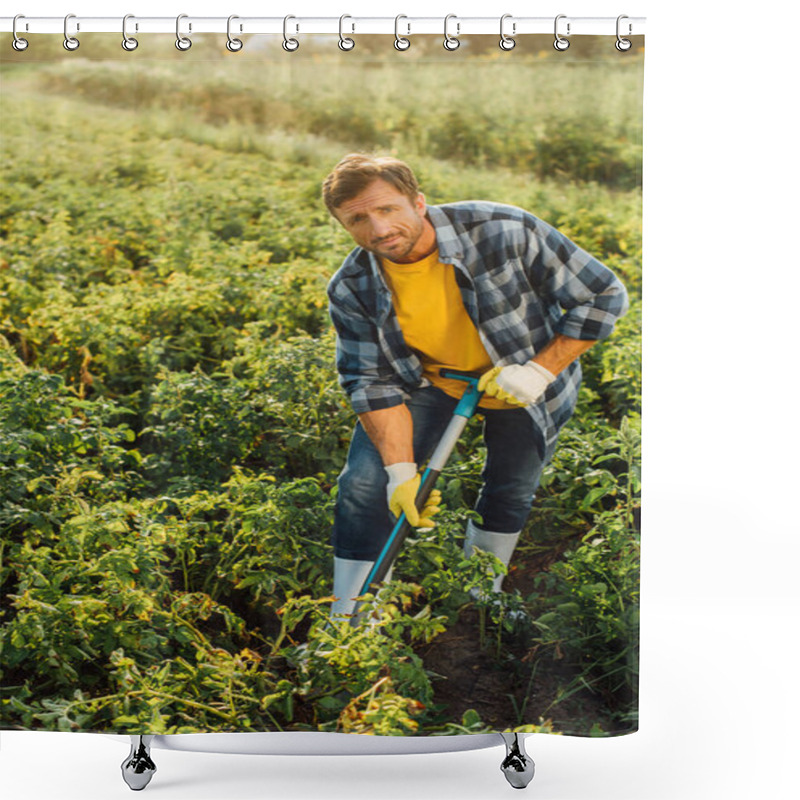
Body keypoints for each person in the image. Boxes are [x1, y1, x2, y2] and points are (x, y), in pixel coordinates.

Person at [322, 154, 629, 620]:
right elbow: (371, 381)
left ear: (419, 202)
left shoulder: (502, 229)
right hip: (430, 381)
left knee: (511, 484)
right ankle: (349, 615)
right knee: (365, 484)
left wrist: (538, 371)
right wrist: (401, 474)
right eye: (357, 219)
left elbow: (605, 294)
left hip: (522, 378)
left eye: (387, 209)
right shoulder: (353, 287)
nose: (378, 229)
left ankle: (480, 593)